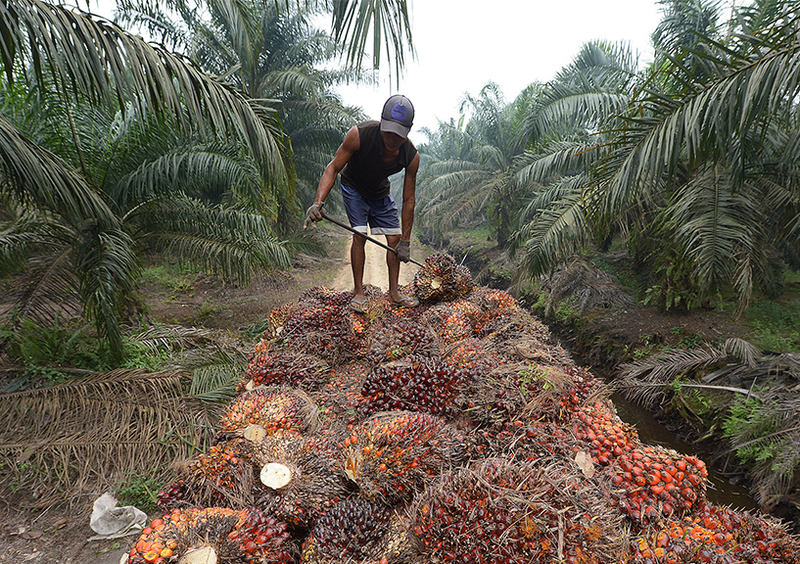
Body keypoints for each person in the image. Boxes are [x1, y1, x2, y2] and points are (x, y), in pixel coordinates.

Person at [304, 94, 421, 313]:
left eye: (398, 134)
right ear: (381, 122)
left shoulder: (411, 156)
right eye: (388, 131)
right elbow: (333, 168)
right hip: (354, 188)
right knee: (360, 234)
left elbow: (408, 200)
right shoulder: (359, 135)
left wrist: (405, 242)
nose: (392, 138)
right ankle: (358, 291)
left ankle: (394, 293)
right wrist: (318, 202)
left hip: (380, 192)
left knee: (394, 238)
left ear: (407, 131)